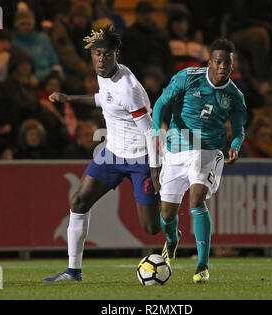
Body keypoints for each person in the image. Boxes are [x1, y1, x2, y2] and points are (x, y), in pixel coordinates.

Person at [43, 26, 161, 282]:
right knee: (79, 201)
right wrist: (69, 97)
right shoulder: (104, 75)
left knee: (151, 229)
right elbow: (103, 98)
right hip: (112, 155)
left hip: (141, 158)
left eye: (107, 54)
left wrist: (155, 169)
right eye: (97, 54)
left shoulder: (129, 89)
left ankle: (172, 212)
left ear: (116, 54)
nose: (101, 59)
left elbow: (152, 133)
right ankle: (74, 271)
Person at [151, 39, 247, 283]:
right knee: (166, 215)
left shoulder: (235, 96)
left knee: (196, 198)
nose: (223, 66)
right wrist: (155, 132)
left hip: (208, 151)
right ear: (210, 62)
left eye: (228, 62)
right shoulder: (187, 77)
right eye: (218, 61)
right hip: (176, 149)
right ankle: (172, 239)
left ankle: (202, 265)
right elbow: (162, 102)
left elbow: (238, 129)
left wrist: (235, 146)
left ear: (233, 64)